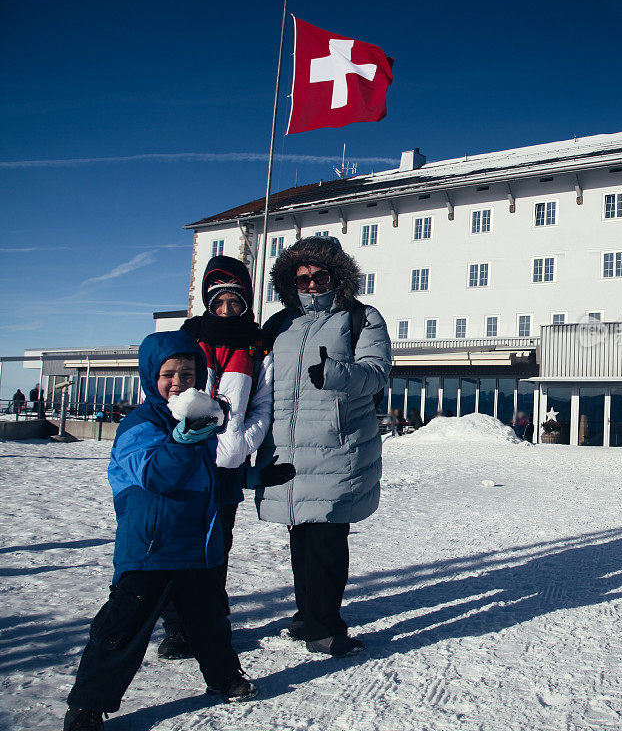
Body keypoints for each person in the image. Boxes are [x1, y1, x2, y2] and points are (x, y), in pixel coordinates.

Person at [63, 331, 257, 731]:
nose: (178, 382)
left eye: (188, 374)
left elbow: (210, 476)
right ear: (151, 375)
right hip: (151, 546)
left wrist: (254, 476)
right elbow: (157, 475)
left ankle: (223, 677)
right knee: (123, 627)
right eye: (168, 373)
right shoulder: (139, 424)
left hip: (197, 544)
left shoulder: (199, 415)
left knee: (210, 620)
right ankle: (87, 705)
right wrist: (184, 440)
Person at [250, 236, 391, 657]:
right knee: (300, 537)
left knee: (327, 540)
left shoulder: (361, 318)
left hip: (336, 446)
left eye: (319, 276)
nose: (310, 285)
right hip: (286, 448)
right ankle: (307, 615)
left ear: (338, 277)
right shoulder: (280, 323)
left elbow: (376, 373)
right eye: (302, 278)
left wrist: (334, 373)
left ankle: (326, 626)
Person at [156, 254, 289, 660]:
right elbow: (166, 393)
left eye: (235, 302)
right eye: (219, 302)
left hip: (228, 468)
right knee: (177, 544)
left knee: (217, 547)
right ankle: (177, 628)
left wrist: (243, 443)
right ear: (207, 303)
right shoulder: (188, 337)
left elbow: (263, 404)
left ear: (247, 301)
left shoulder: (256, 344)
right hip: (185, 461)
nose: (227, 310)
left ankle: (211, 622)